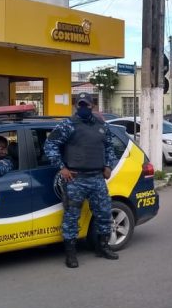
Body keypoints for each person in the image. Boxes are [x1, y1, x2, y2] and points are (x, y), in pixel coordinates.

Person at [43, 92, 118, 269]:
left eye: (87, 105)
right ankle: (71, 254)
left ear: (93, 105)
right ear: (77, 106)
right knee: (71, 217)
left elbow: (109, 146)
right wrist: (62, 167)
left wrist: (108, 166)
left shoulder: (101, 125)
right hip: (76, 179)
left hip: (97, 178)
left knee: (104, 214)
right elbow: (50, 145)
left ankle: (103, 247)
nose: (84, 108)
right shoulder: (68, 125)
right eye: (80, 105)